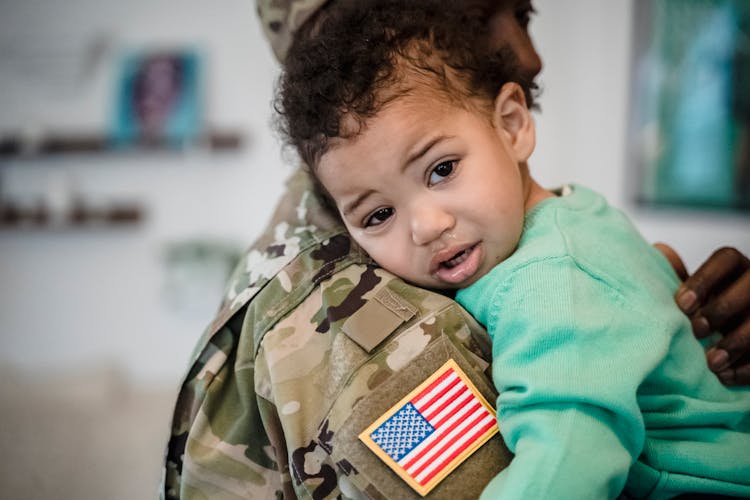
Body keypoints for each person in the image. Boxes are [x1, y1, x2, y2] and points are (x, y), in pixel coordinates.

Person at [160, 1, 750, 498]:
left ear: (511, 123)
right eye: (379, 215)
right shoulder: (336, 306)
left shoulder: (546, 271)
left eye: (442, 169)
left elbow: (567, 458)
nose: (424, 226)